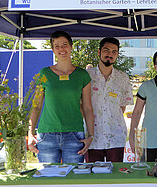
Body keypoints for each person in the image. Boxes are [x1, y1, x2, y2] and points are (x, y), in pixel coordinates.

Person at [27, 31, 95, 163]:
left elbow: (87, 108)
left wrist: (91, 136)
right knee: (49, 180)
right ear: (52, 50)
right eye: (57, 46)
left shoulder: (82, 75)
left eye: (64, 45)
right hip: (47, 135)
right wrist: (30, 133)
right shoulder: (44, 73)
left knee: (74, 179)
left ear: (71, 47)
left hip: (74, 135)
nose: (61, 49)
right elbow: (36, 106)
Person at [85, 37, 133, 162]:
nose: (110, 54)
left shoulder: (123, 78)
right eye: (106, 50)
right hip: (92, 138)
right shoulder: (86, 76)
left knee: (116, 177)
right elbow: (81, 105)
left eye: (114, 52)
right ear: (99, 52)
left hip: (116, 137)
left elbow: (122, 107)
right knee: (93, 176)